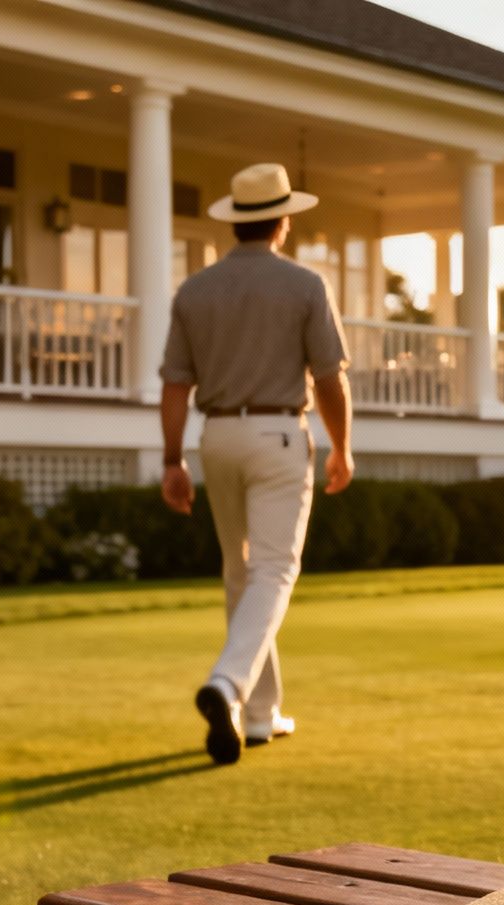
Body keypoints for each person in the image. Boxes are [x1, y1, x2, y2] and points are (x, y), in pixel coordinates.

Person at [157, 162, 354, 765]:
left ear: (235, 224)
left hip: (215, 436)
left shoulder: (193, 290)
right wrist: (343, 447)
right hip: (277, 433)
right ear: (283, 221)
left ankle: (262, 715)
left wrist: (171, 461)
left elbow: (174, 386)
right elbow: (328, 378)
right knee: (272, 571)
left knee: (241, 575)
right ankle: (227, 686)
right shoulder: (304, 284)